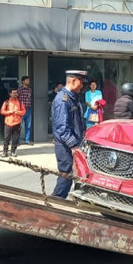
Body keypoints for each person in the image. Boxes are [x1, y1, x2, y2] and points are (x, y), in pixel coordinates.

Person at [51, 70, 87, 199]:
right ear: (72, 80)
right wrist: (73, 146)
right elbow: (62, 127)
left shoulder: (73, 97)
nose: (82, 86)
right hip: (65, 145)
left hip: (72, 143)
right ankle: (56, 200)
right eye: (81, 82)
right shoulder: (63, 100)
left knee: (74, 174)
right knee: (66, 174)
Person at [0, 89, 26, 157]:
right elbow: (2, 111)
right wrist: (9, 112)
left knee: (15, 139)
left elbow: (24, 111)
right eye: (14, 93)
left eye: (16, 93)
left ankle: (13, 151)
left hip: (17, 123)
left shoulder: (20, 102)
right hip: (8, 123)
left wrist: (19, 112)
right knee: (6, 139)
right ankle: (5, 152)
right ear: (10, 94)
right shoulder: (6, 102)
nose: (15, 94)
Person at [17, 76, 33, 145]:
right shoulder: (19, 89)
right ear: (23, 81)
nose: (28, 81)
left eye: (28, 80)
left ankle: (27, 140)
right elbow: (17, 98)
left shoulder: (29, 89)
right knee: (19, 125)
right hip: (21, 109)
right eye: (27, 80)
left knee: (28, 125)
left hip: (28, 108)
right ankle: (17, 141)